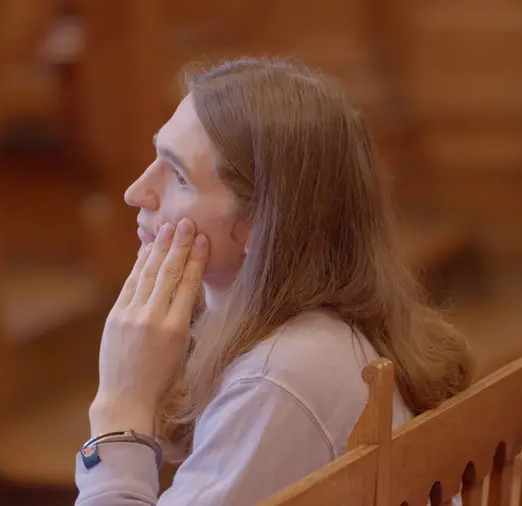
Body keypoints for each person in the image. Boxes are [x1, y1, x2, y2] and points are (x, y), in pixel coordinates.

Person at [74, 57, 473, 505]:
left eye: (179, 176)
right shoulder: (309, 339)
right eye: (157, 157)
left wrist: (119, 410)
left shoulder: (278, 380)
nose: (136, 192)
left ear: (261, 223)